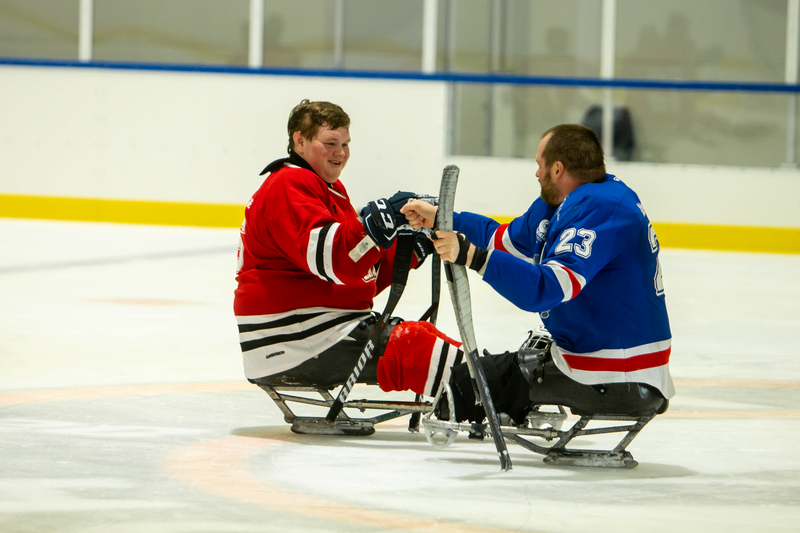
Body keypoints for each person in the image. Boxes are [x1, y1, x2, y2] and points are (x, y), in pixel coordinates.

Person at [391, 123, 674, 423]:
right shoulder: (563, 202)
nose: (536, 173)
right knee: (482, 376)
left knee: (465, 386)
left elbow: (546, 290)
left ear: (557, 169)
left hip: (617, 370)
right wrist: (442, 219)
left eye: (540, 165)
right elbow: (500, 240)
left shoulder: (602, 208)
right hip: (600, 353)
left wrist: (470, 256)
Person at [234, 100, 464, 405]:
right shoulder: (289, 183)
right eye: (330, 143)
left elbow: (358, 273)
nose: (340, 153)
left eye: (345, 144)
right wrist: (373, 227)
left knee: (421, 336)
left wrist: (411, 248)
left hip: (319, 330)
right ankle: (497, 387)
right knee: (413, 347)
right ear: (299, 141)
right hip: (300, 338)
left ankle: (493, 378)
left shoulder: (327, 188)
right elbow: (336, 260)